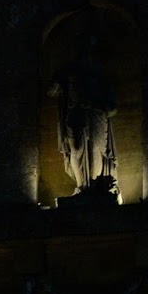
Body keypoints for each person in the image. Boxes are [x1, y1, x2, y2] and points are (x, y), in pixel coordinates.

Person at [48, 34, 117, 194]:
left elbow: (112, 104)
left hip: (96, 115)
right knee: (77, 149)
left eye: (86, 47)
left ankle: (93, 189)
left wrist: (103, 105)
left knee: (95, 151)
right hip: (75, 112)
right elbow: (51, 91)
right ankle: (81, 187)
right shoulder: (68, 70)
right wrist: (59, 80)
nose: (83, 51)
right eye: (80, 47)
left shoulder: (99, 72)